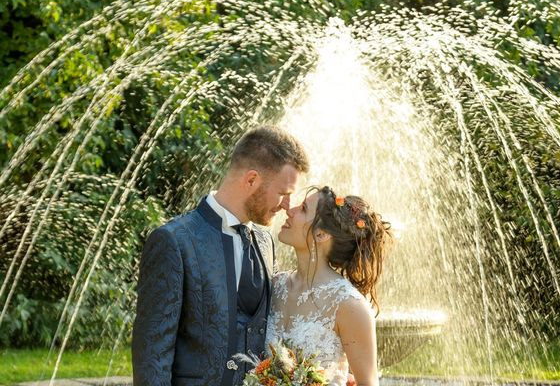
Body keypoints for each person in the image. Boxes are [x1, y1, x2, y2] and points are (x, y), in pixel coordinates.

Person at [132, 125, 310, 386]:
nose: (287, 205)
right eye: (283, 193)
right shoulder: (174, 241)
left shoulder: (265, 241)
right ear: (251, 180)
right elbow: (152, 355)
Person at [266, 186, 392, 386]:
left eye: (303, 209)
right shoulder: (274, 286)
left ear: (321, 234)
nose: (290, 211)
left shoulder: (349, 305)